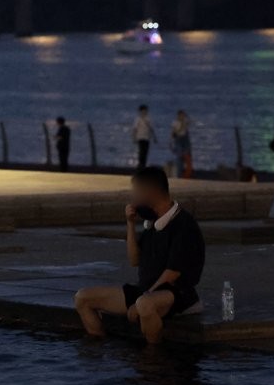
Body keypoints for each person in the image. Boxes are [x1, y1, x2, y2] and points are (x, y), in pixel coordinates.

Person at [73, 166, 205, 344]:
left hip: (177, 294)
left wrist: (143, 298)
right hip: (146, 289)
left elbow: (172, 274)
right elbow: (134, 260)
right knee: (83, 298)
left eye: (137, 193)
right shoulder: (152, 223)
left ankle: (153, 359)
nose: (133, 199)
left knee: (145, 305)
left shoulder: (183, 225)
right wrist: (130, 224)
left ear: (151, 193)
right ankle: (98, 348)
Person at [132, 104, 157, 170]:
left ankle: (143, 165)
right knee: (141, 151)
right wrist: (134, 137)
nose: (144, 112)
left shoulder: (148, 119)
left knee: (145, 152)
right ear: (140, 111)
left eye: (145, 111)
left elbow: (151, 128)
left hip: (147, 138)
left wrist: (154, 137)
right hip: (140, 137)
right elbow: (135, 129)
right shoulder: (138, 119)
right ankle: (140, 165)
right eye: (142, 111)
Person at [171, 110, 193, 179]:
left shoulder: (185, 121)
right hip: (178, 139)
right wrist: (171, 142)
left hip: (185, 139)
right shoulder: (175, 122)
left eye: (183, 115)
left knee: (187, 156)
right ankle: (179, 174)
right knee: (179, 157)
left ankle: (187, 174)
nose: (182, 117)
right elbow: (174, 132)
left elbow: (190, 121)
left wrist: (186, 116)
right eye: (181, 115)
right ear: (178, 115)